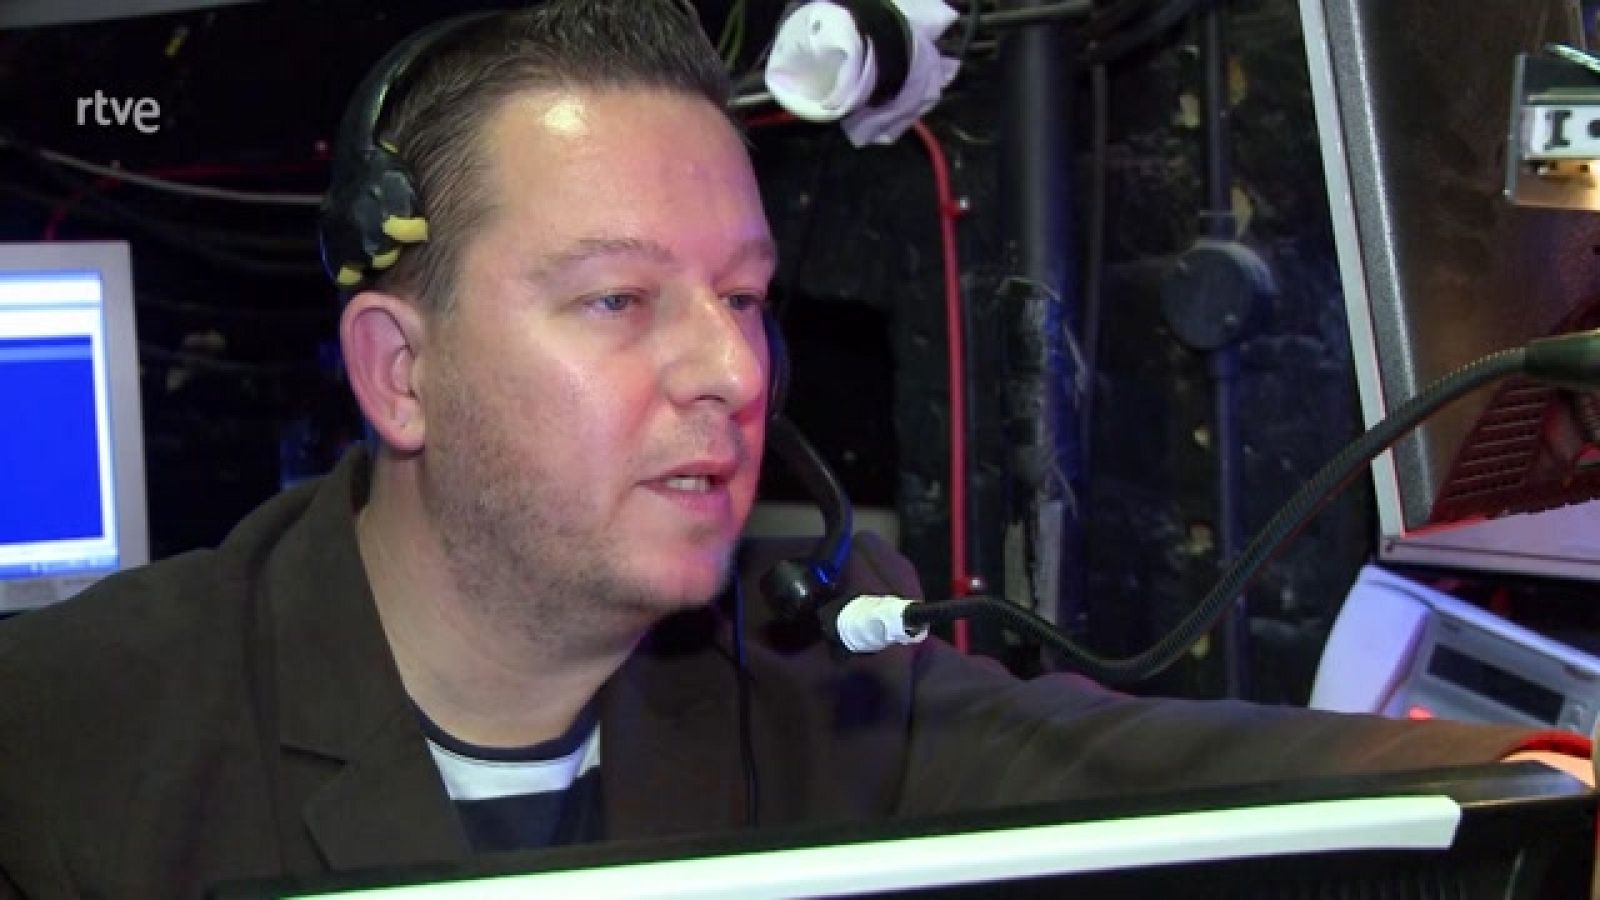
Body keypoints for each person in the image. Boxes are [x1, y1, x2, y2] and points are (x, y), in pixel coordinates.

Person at [0, 1, 1590, 896]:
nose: (729, 370)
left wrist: (1547, 781)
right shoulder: (65, 743)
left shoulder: (811, 674)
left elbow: (1143, 768)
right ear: (398, 374)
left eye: (747, 298)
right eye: (618, 299)